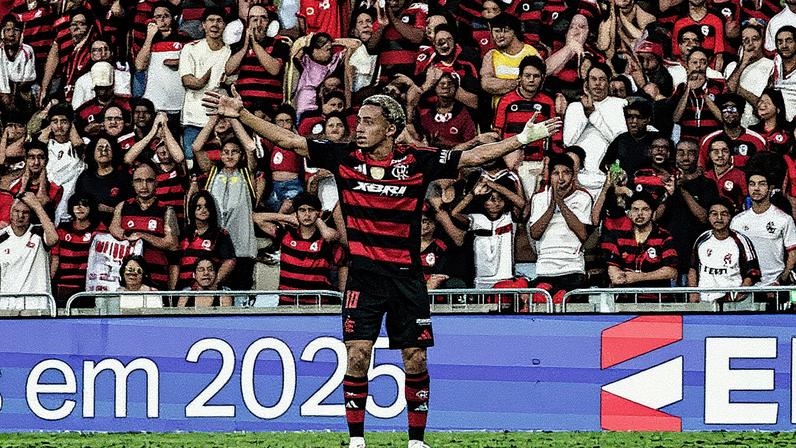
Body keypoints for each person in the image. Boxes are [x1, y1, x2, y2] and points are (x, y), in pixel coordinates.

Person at [202, 88, 559, 448]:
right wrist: (241, 113)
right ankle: (357, 441)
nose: (359, 128)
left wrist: (522, 138)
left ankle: (416, 441)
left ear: (391, 129)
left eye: (369, 122)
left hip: (407, 278)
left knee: (415, 358)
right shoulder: (343, 156)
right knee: (357, 355)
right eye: (359, 121)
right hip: (363, 278)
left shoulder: (418, 161)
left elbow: (474, 155)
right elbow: (290, 141)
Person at [193, 119, 258, 292]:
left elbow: (251, 147)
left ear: (241, 155)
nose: (229, 156)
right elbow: (197, 147)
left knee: (240, 295)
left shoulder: (247, 173)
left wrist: (234, 118)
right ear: (220, 154)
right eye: (225, 152)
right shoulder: (213, 172)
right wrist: (214, 118)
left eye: (234, 152)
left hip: (241, 247)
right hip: (215, 248)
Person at [253, 192, 346, 304]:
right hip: (287, 304)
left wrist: (317, 219)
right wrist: (288, 217)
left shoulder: (326, 240)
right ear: (296, 213)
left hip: (318, 305)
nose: (307, 214)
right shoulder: (286, 234)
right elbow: (256, 218)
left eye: (311, 210)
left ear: (319, 212)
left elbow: (329, 236)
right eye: (302, 210)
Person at [492, 55, 560, 199]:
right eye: (527, 75)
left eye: (536, 76)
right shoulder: (506, 100)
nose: (531, 80)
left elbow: (554, 136)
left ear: (542, 78)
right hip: (512, 163)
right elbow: (497, 133)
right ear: (520, 77)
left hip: (539, 163)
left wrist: (549, 161)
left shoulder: (548, 102)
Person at [528, 154, 592, 304]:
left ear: (573, 175)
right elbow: (535, 233)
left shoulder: (583, 198)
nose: (561, 178)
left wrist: (561, 203)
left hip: (573, 269)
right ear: (550, 176)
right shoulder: (539, 198)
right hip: (545, 270)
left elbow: (583, 234)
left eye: (566, 173)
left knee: (570, 308)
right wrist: (552, 204)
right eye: (556, 173)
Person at [657, 139, 720, 285]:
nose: (685, 157)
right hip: (668, 251)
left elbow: (704, 217)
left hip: (696, 251)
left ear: (698, 156)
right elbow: (655, 217)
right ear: (674, 155)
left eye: (690, 153)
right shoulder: (663, 182)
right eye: (681, 153)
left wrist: (682, 189)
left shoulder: (707, 184)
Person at [563, 62, 628, 199]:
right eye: (593, 79)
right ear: (586, 83)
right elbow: (569, 142)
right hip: (578, 179)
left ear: (609, 83)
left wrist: (593, 114)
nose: (597, 83)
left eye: (602, 79)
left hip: (607, 179)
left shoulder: (619, 104)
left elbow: (620, 141)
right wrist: (584, 114)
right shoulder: (574, 107)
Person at [110, 163, 179, 289]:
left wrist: (142, 235)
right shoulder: (123, 206)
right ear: (132, 183)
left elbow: (172, 243)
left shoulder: (166, 210)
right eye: (138, 181)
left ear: (156, 183)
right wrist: (128, 236)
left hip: (156, 280)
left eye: (149, 181)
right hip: (128, 281)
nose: (144, 186)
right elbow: (114, 229)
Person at [179, 7, 232, 161]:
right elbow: (188, 81)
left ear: (224, 25)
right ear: (203, 25)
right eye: (210, 20)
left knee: (221, 162)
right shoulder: (190, 48)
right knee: (191, 163)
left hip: (221, 120)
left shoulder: (230, 52)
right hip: (194, 118)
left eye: (219, 21)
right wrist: (203, 80)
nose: (215, 24)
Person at [604, 192, 679, 301]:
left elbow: (671, 271)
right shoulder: (620, 238)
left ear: (653, 213)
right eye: (635, 209)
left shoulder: (664, 237)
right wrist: (616, 275)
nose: (640, 214)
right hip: (626, 302)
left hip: (658, 302)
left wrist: (639, 277)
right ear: (629, 213)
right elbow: (613, 265)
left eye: (645, 209)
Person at [730, 171, 796, 288]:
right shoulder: (737, 221)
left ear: (770, 188)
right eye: (752, 184)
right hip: (745, 286)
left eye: (762, 184)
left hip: (773, 285)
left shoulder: (784, 219)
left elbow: (793, 254)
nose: (756, 188)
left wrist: (781, 280)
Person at [689, 197, 760, 303]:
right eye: (714, 214)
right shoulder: (702, 239)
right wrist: (694, 293)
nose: (719, 218)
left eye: (724, 214)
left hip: (733, 304)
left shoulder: (742, 241)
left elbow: (754, 272)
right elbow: (693, 268)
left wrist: (738, 293)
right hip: (705, 301)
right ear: (708, 217)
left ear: (730, 217)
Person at [225, 5, 290, 114]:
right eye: (254, 19)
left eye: (263, 18)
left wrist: (254, 43)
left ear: (268, 22)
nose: (258, 23)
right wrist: (245, 47)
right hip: (243, 107)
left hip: (269, 108)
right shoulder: (238, 46)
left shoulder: (279, 44)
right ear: (248, 23)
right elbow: (229, 70)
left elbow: (274, 69)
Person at [0, 193, 57, 310]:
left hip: (37, 304)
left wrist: (37, 206)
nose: (20, 216)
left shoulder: (39, 232)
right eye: (16, 211)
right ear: (10, 212)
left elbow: (54, 239)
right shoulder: (2, 237)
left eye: (25, 212)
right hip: (7, 304)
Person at [173, 190, 236, 290]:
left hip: (208, 289)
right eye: (199, 207)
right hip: (183, 289)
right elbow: (175, 264)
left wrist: (214, 283)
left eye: (206, 207)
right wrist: (173, 292)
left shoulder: (220, 234)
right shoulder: (183, 233)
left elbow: (229, 261)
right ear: (192, 209)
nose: (203, 210)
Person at [51, 193, 105, 305]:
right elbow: (55, 258)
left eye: (84, 204)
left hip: (88, 286)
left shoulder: (99, 230)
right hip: (63, 286)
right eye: (76, 204)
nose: (80, 208)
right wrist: (50, 280)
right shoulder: (62, 229)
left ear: (91, 207)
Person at [480, 13, 540, 109]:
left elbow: (537, 83)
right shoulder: (491, 55)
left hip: (526, 110)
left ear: (514, 32)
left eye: (505, 31)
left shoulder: (530, 52)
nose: (500, 35)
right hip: (499, 113)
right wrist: (520, 83)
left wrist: (501, 84)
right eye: (496, 31)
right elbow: (486, 84)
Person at [73, 135, 133, 226]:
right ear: (93, 152)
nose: (103, 152)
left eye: (107, 148)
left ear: (114, 152)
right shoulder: (85, 177)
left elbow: (130, 206)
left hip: (116, 225)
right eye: (99, 148)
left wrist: (110, 210)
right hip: (89, 226)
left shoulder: (123, 177)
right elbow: (77, 203)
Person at [724, 21, 775, 128]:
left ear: (762, 41)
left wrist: (739, 90)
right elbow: (727, 95)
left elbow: (766, 105)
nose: (750, 44)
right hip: (734, 126)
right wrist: (743, 63)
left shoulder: (771, 66)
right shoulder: (732, 67)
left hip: (759, 125)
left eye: (755, 39)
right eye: (746, 40)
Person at [698, 92, 766, 168]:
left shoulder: (757, 140)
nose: (729, 113)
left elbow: (763, 168)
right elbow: (701, 168)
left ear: (741, 112)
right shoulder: (708, 140)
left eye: (733, 109)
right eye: (725, 109)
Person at [600, 99, 659, 178]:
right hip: (624, 183)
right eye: (629, 117)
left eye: (639, 117)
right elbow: (605, 165)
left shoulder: (657, 139)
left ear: (647, 119)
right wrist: (618, 171)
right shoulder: (620, 140)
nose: (633, 121)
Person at [71, 39, 131, 109]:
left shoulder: (123, 77)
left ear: (111, 53)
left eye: (105, 49)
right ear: (91, 55)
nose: (102, 53)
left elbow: (125, 103)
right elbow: (77, 108)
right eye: (96, 50)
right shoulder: (82, 80)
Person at [704, 135, 748, 209]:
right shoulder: (706, 176)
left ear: (730, 153)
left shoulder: (741, 175)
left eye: (725, 151)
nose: (720, 155)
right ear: (709, 154)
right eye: (716, 151)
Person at [770, 26, 796, 122]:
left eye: (789, 41)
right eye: (780, 42)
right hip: (778, 123)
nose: (784, 45)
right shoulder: (773, 65)